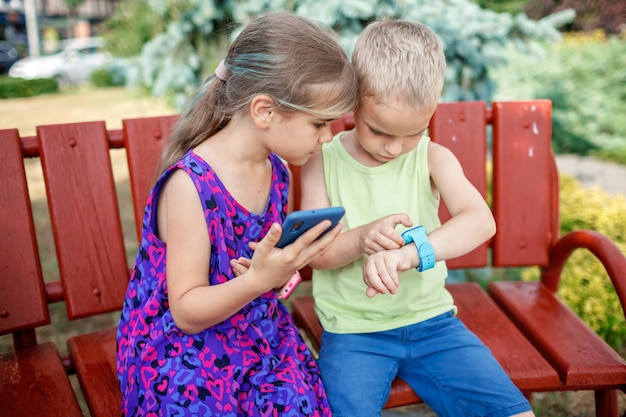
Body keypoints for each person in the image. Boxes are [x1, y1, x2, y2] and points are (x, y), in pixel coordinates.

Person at [116, 11, 358, 416]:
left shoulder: (277, 170)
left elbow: (255, 270)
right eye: (319, 123)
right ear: (264, 110)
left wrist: (278, 273)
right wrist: (260, 279)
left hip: (254, 328)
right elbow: (187, 312)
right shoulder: (190, 185)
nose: (328, 137)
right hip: (182, 351)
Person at [299, 18, 536, 417]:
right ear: (354, 101)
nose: (394, 148)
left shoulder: (432, 157)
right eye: (378, 132)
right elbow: (316, 254)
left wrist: (410, 254)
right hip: (354, 332)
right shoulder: (321, 163)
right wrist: (360, 239)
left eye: (412, 132)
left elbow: (480, 221)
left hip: (434, 326)